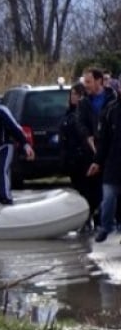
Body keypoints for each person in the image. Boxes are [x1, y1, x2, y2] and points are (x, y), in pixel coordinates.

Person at [59, 82, 101, 231]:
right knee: (78, 189)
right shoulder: (68, 114)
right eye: (72, 94)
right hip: (71, 159)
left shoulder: (85, 114)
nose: (73, 97)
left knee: (88, 191)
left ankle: (90, 219)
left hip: (84, 158)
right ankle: (85, 220)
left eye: (77, 94)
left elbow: (89, 134)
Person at [87, 93, 121, 242]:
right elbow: (104, 140)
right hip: (113, 164)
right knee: (108, 198)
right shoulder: (112, 109)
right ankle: (106, 226)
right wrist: (97, 161)